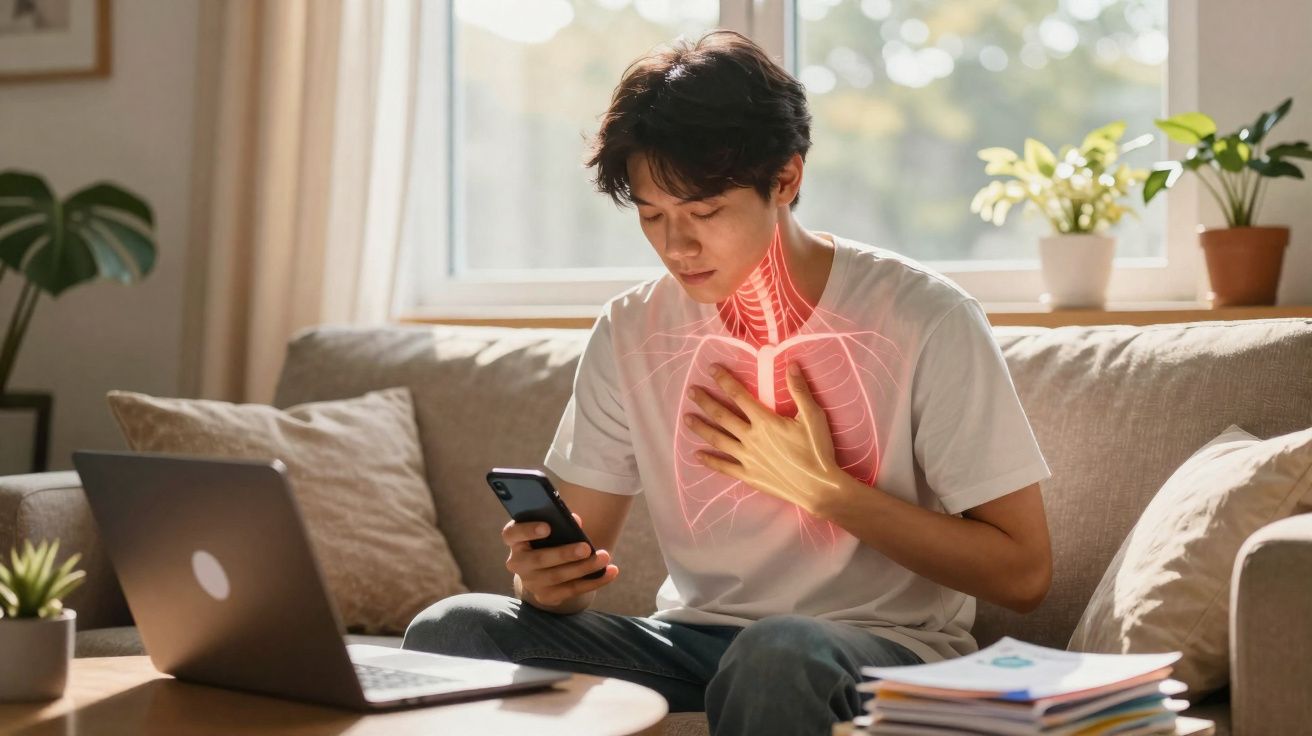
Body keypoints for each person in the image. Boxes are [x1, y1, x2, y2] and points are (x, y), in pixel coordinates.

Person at [403, 29, 1053, 736]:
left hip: (877, 651)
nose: (676, 246)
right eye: (653, 215)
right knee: (455, 630)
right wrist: (546, 581)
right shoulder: (632, 330)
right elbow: (572, 562)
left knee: (777, 653)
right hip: (693, 642)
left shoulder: (926, 316)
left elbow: (1023, 574)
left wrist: (825, 490)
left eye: (705, 213)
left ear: (785, 180)